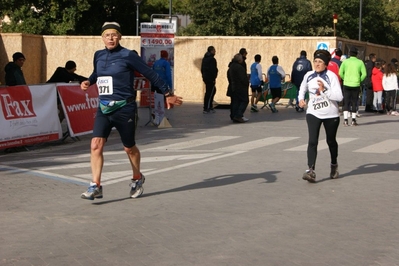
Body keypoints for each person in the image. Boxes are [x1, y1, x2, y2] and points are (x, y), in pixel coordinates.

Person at [80, 22, 183, 200]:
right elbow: (97, 73)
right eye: (107, 35)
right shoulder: (98, 55)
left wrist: (167, 93)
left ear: (120, 36)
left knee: (128, 148)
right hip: (104, 107)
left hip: (124, 107)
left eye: (114, 35)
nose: (110, 38)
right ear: (102, 38)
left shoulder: (128, 55)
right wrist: (89, 81)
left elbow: (150, 74)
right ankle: (95, 185)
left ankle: (137, 177)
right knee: (95, 144)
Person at [298, 49, 343, 183]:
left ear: (326, 64)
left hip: (331, 114)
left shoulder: (331, 76)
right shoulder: (308, 75)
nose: (317, 64)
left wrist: (324, 91)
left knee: (331, 141)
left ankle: (334, 164)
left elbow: (339, 97)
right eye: (315, 61)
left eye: (320, 62)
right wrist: (300, 99)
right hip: (313, 112)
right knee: (312, 141)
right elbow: (302, 88)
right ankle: (310, 170)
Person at [339, 47, 366, 126]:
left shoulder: (345, 62)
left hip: (346, 84)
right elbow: (364, 74)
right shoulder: (360, 62)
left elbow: (340, 73)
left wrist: (345, 79)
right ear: (357, 54)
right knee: (354, 101)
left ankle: (345, 120)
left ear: (349, 54)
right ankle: (353, 120)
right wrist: (359, 80)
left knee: (346, 101)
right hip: (356, 84)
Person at [228, 53, 249, 123]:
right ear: (240, 60)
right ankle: (238, 115)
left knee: (235, 102)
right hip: (240, 87)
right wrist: (247, 82)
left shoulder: (231, 67)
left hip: (234, 86)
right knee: (244, 100)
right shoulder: (239, 68)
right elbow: (243, 78)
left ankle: (234, 115)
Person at [201, 46, 218, 114]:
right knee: (210, 92)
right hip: (210, 78)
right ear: (211, 51)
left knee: (212, 91)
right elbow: (213, 70)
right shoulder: (211, 59)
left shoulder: (205, 59)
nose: (215, 52)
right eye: (214, 50)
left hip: (206, 77)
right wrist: (213, 78)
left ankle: (209, 106)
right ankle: (207, 107)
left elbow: (202, 69)